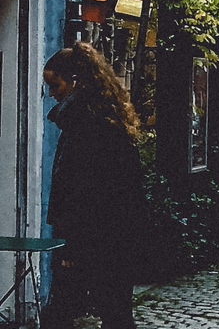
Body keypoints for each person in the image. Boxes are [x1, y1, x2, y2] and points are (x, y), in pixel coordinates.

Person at [42, 42, 144, 329]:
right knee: (115, 314)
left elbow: (86, 191)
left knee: (65, 316)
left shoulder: (88, 125)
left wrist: (71, 247)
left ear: (76, 81)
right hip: (109, 240)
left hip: (95, 240)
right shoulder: (101, 119)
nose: (51, 93)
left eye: (55, 84)